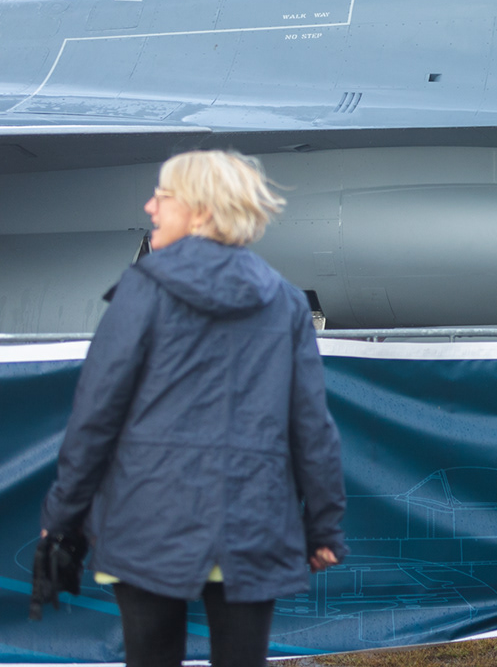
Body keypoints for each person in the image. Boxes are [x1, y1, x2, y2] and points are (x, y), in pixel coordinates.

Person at [37, 151, 345, 667]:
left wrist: (61, 518)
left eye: (163, 196)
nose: (150, 207)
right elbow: (312, 428)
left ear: (200, 210)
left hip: (146, 523)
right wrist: (324, 528)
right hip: (253, 525)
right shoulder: (286, 302)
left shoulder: (141, 290)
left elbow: (95, 417)